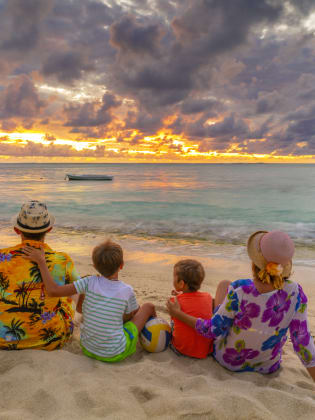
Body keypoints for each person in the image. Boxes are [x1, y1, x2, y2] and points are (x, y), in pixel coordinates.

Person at [167, 230, 315, 381]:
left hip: (230, 361)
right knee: (226, 290)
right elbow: (302, 342)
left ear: (254, 262)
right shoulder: (296, 293)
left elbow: (212, 330)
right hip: (267, 365)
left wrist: (178, 314)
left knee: (224, 285)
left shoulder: (240, 289)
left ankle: (206, 304)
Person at [22, 239, 156, 362]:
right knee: (148, 307)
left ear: (95, 266)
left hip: (88, 348)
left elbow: (53, 290)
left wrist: (41, 262)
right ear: (121, 265)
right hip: (115, 353)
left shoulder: (88, 282)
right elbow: (131, 316)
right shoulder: (127, 290)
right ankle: (155, 328)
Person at [0, 200, 80, 350]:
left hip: (4, 339)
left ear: (17, 230)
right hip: (51, 339)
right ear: (49, 229)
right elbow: (80, 290)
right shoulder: (62, 260)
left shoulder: (2, 257)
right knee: (68, 292)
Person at [170, 259, 213, 358]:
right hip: (206, 351)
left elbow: (174, 322)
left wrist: (179, 297)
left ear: (181, 284)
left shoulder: (174, 302)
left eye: (173, 276)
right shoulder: (208, 297)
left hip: (182, 350)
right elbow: (192, 301)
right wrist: (181, 295)